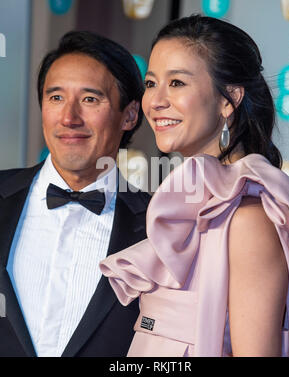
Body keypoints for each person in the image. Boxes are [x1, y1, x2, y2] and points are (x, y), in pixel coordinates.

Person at [100, 15, 289, 357]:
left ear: (229, 99)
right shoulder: (184, 205)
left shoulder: (249, 219)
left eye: (177, 83)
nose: (156, 101)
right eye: (150, 83)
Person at [0, 31, 151, 357]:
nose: (69, 118)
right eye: (55, 98)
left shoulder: (161, 227)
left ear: (129, 115)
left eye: (90, 99)